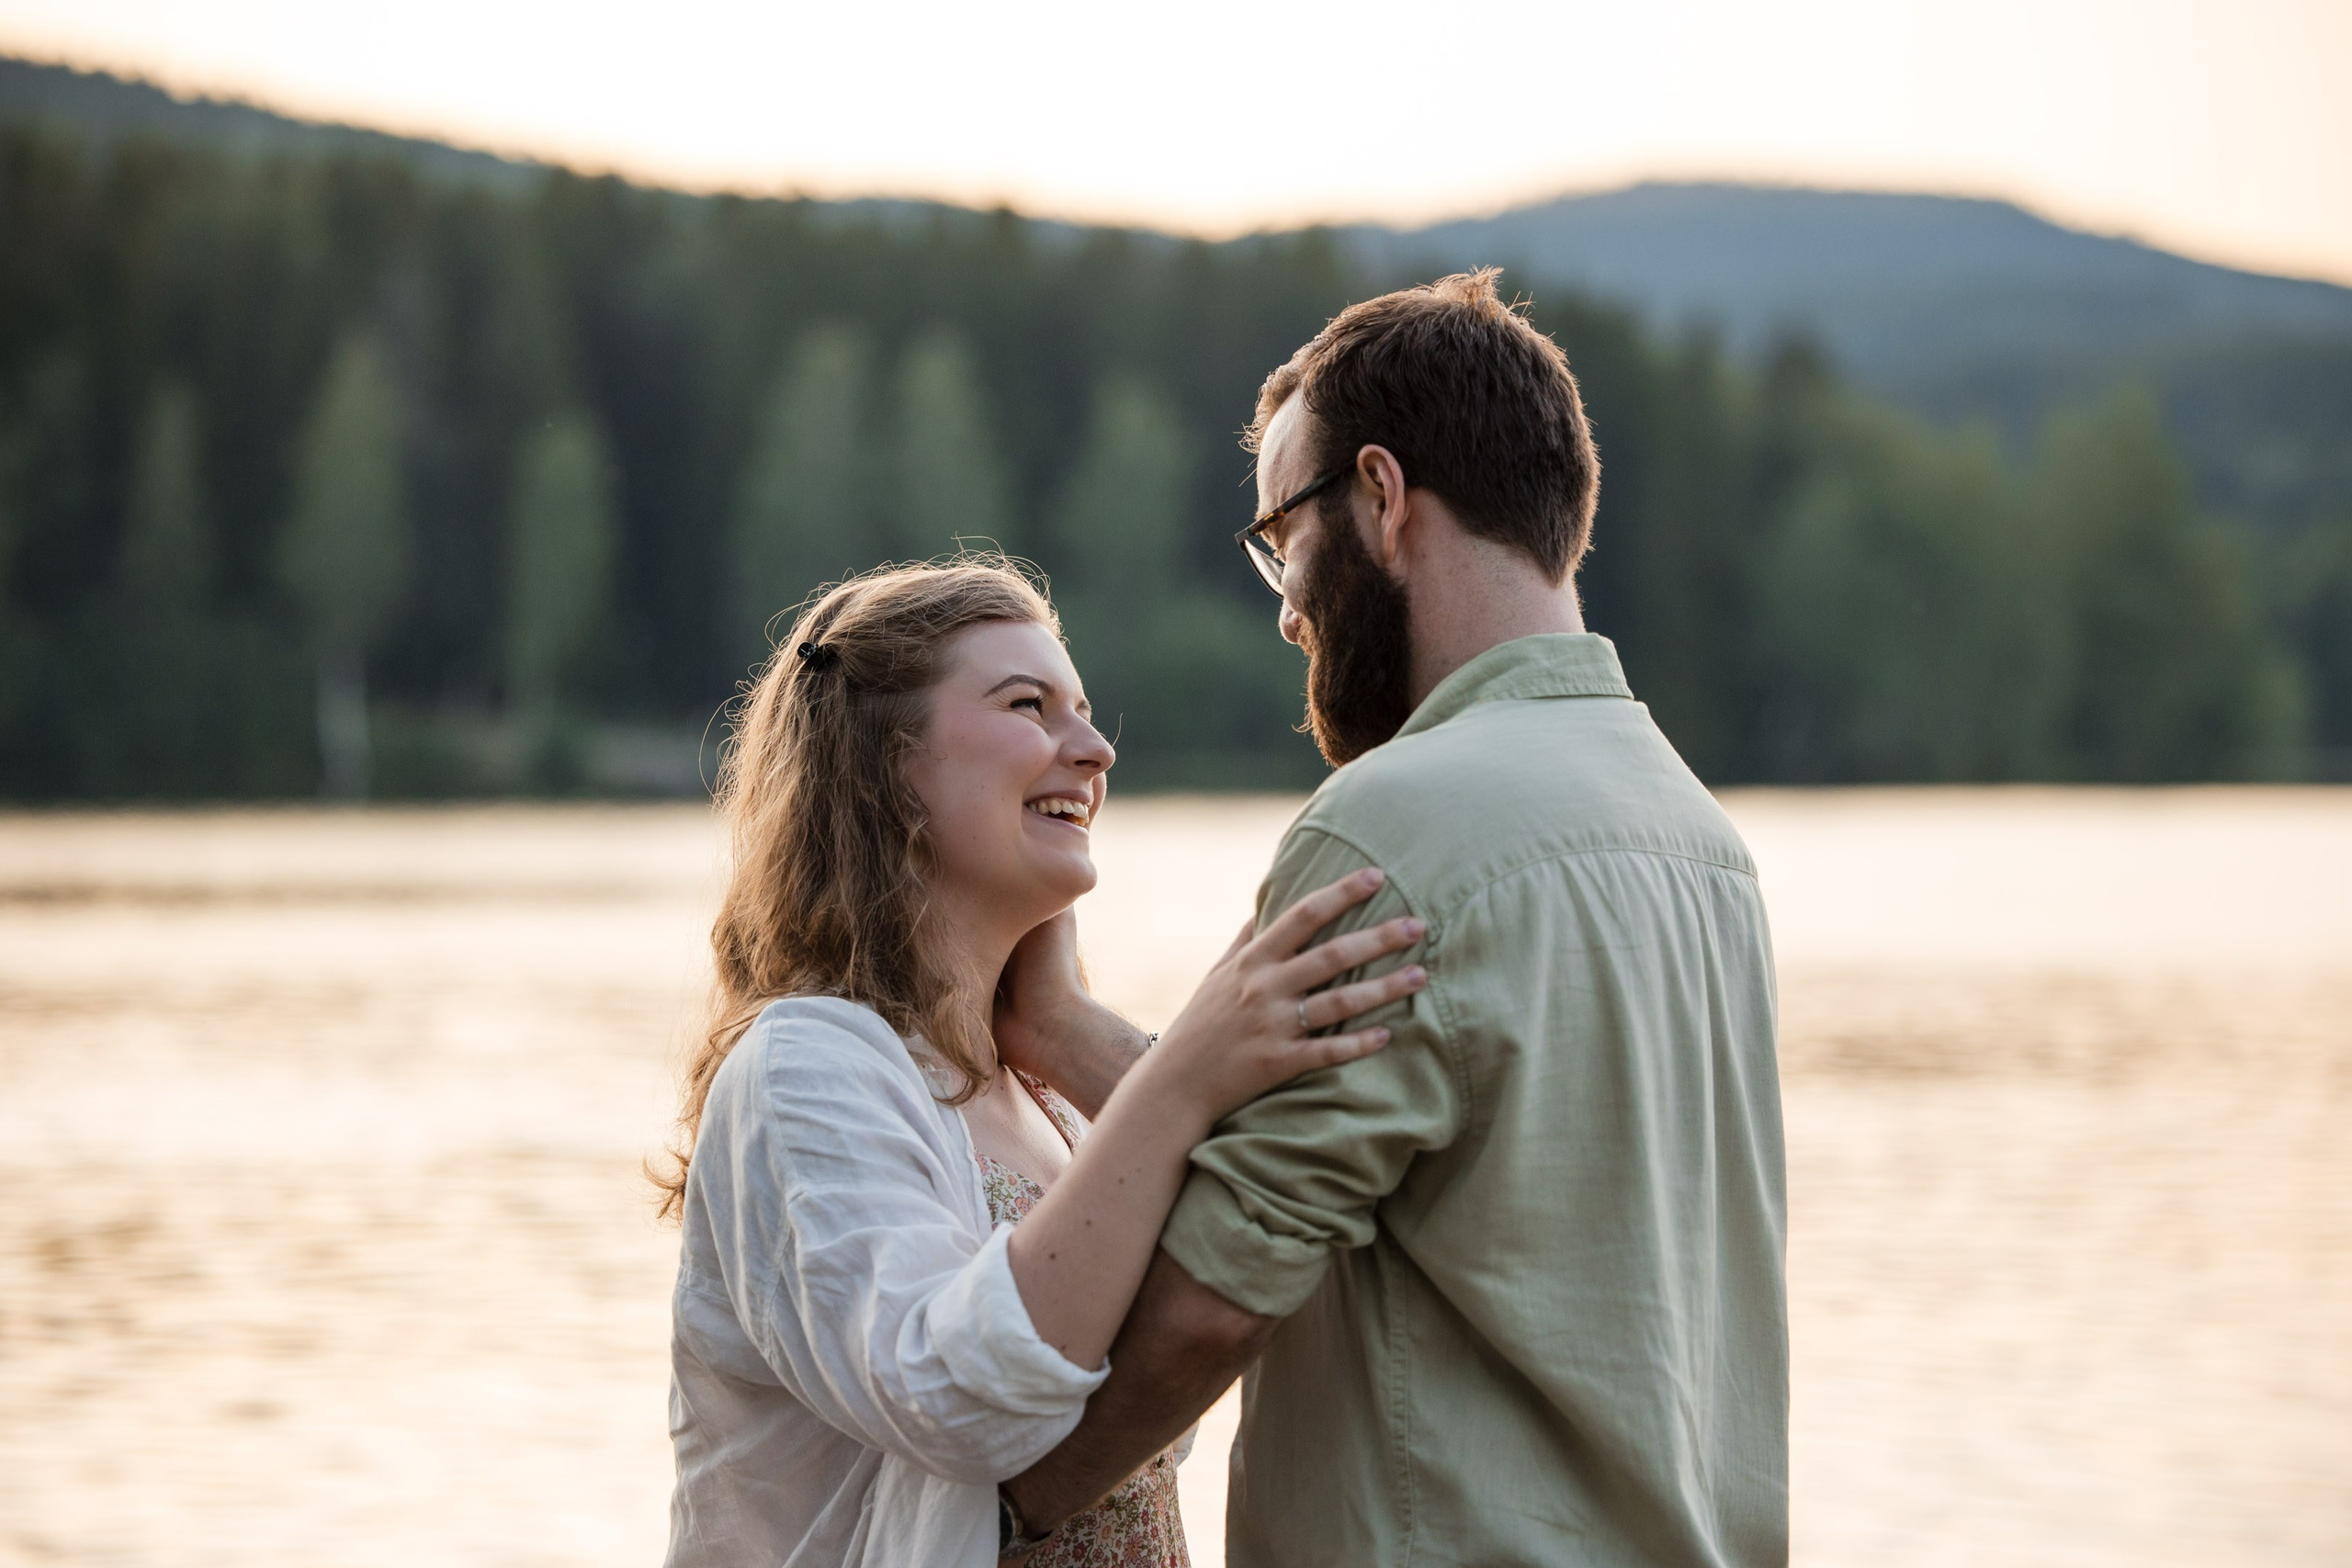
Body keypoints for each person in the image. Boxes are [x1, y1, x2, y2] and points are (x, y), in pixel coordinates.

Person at [997, 271, 1790, 1565]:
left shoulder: (1390, 826)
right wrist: (1065, 1032)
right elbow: (1406, 1168)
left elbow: (1213, 1298)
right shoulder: (1700, 840)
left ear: (1379, 495)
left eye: (1281, 537)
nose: (1286, 603)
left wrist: (1014, 1506)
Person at [653, 558, 1430, 1568]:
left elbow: (1294, 1250)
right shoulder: (806, 1067)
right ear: (885, 764)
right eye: (1029, 706)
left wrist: (1065, 1029)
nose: (1095, 749)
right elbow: (960, 1404)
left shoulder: (1047, 1096)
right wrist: (1183, 1072)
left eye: (1086, 712)